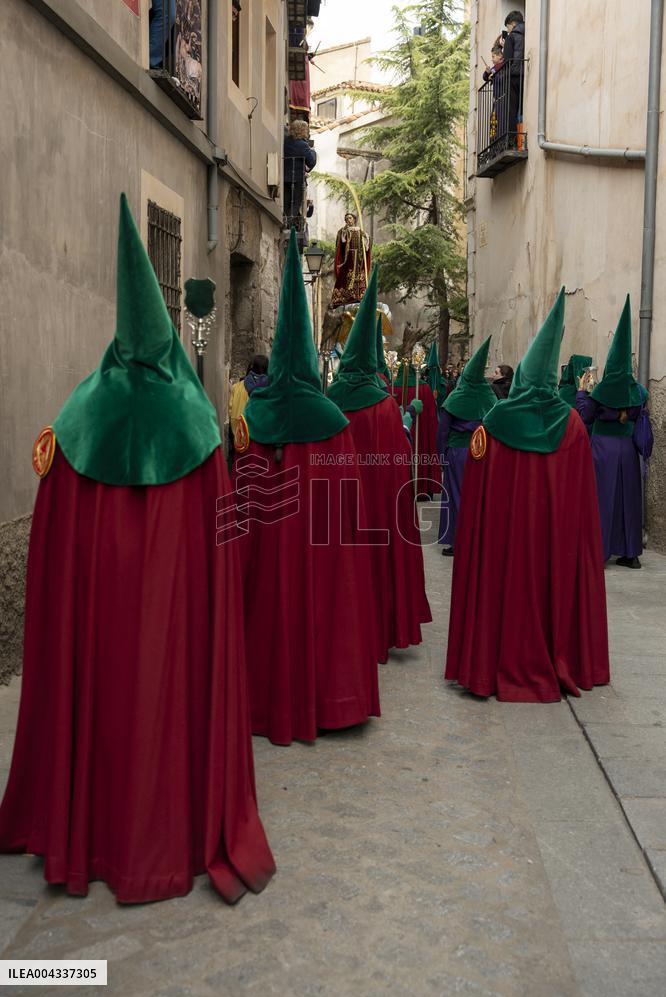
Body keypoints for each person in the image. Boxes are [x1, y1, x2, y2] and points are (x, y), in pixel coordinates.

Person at [0, 195, 275, 903]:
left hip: (97, 627)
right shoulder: (195, 425)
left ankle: (86, 830)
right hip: (172, 626)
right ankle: (162, 837)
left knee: (100, 696)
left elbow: (50, 568)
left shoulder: (73, 421)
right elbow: (219, 548)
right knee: (164, 699)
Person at [231, 230, 380, 746]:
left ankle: (261, 698)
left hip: (269, 553)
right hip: (321, 551)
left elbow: (241, 514)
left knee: (269, 607)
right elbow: (348, 519)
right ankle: (328, 696)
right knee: (324, 600)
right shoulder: (333, 423)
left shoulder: (255, 416)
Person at [445, 289, 610, 702]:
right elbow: (583, 501)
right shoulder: (572, 424)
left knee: (505, 587)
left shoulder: (496, 420)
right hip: (556, 545)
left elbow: (478, 501)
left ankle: (496, 660)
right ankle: (554, 655)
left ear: (521, 378)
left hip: (504, 541)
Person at [327, 267, 432, 660]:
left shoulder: (329, 402)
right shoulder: (386, 406)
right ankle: (382, 626)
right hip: (381, 505)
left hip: (340, 505)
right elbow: (400, 458)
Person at [577, 296, 652, 568]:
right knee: (628, 499)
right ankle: (630, 553)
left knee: (602, 499)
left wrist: (581, 392)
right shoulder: (639, 390)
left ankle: (599, 551)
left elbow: (585, 415)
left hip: (603, 448)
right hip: (628, 450)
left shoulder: (601, 390)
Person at [437, 336, 496, 556]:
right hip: (485, 453)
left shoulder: (455, 398)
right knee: (480, 495)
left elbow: (442, 431)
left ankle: (458, 540)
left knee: (456, 494)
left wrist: (441, 456)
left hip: (459, 453)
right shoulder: (489, 396)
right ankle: (481, 538)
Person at [392, 359, 440, 500]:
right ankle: (423, 488)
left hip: (403, 432)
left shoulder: (393, 387)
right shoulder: (424, 388)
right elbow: (432, 417)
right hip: (421, 433)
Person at [330, 212, 372, 307]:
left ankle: (359, 296)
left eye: (350, 218)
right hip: (348, 259)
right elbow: (342, 242)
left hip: (359, 259)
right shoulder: (343, 231)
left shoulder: (360, 231)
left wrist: (366, 238)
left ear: (354, 219)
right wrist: (344, 233)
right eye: (347, 219)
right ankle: (345, 297)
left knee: (360, 277)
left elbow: (366, 244)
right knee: (347, 276)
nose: (349, 220)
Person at [283, 120, 317, 222]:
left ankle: (284, 220)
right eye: (306, 130)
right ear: (302, 131)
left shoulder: (286, 141)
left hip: (285, 176)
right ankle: (288, 222)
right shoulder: (303, 145)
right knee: (296, 202)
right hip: (297, 177)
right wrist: (313, 151)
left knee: (286, 201)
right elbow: (311, 162)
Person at [502, 10, 525, 144]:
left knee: (511, 110)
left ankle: (512, 140)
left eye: (508, 27)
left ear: (513, 23)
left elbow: (507, 59)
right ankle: (521, 141)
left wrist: (505, 46)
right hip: (524, 75)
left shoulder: (512, 36)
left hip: (513, 76)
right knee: (522, 109)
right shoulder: (529, 33)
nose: (508, 30)